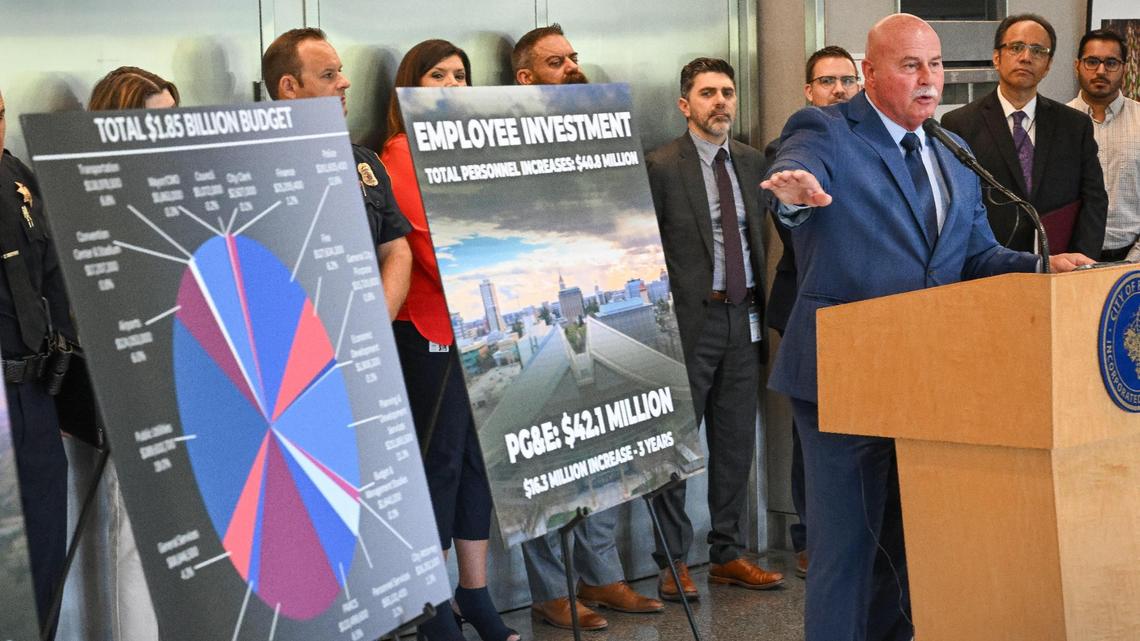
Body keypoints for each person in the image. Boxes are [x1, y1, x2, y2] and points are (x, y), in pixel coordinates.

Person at [761, 14, 1093, 641]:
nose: (929, 79)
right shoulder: (826, 130)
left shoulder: (951, 150)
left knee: (906, 548)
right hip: (843, 379)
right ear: (870, 72)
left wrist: (1040, 265)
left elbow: (975, 255)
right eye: (910, 65)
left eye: (935, 65)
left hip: (926, 381)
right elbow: (797, 170)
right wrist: (794, 193)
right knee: (846, 552)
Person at [511, 24, 665, 631]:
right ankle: (550, 591)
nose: (573, 67)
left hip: (596, 307)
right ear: (525, 78)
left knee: (606, 446)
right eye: (557, 62)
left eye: (574, 57)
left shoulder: (602, 132)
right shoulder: (503, 143)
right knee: (546, 461)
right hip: (549, 317)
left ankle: (602, 576)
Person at [379, 39, 517, 641]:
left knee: (475, 464)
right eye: (438, 75)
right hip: (429, 328)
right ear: (410, 86)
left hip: (476, 330)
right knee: (437, 465)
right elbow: (433, 246)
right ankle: (431, 603)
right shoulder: (397, 154)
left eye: (461, 76)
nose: (453, 86)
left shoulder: (472, 148)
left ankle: (474, 592)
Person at [646, 57, 783, 604]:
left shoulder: (752, 162)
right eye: (708, 93)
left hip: (743, 320)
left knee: (735, 442)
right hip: (687, 325)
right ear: (685, 105)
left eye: (727, 92)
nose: (721, 101)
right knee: (675, 449)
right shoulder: (661, 165)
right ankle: (672, 562)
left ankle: (727, 553)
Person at [86, 65, 180, 641]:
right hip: (137, 391)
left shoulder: (176, 191)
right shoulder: (95, 201)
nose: (167, 134)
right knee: (139, 544)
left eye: (173, 119)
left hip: (193, 382)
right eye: (154, 122)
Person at [766, 45, 861, 581]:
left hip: (873, 314)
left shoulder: (872, 144)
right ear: (809, 91)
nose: (839, 90)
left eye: (848, 80)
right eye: (827, 81)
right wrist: (797, 195)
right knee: (814, 434)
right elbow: (791, 188)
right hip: (811, 307)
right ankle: (808, 536)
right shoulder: (797, 144)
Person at [262, 28, 412, 320]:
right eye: (328, 75)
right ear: (289, 87)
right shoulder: (256, 168)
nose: (345, 82)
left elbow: (396, 248)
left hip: (363, 329)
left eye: (339, 71)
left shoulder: (363, 161)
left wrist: (377, 320)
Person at [1, 87, 76, 641]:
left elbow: (53, 280)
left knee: (42, 560)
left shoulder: (16, 179)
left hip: (32, 398)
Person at [941, 14, 1108, 259]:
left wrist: (1079, 262)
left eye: (1038, 51)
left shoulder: (1075, 125)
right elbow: (955, 207)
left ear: (1048, 65)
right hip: (991, 266)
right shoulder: (960, 124)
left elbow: (1094, 200)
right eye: (1016, 47)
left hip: (1061, 264)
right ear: (997, 57)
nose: (1026, 57)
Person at [1066, 29, 1140, 262]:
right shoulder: (1058, 124)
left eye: (1111, 63)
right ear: (1077, 65)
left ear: (1124, 68)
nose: (1100, 71)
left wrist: (1133, 260)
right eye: (1092, 62)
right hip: (1071, 260)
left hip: (1133, 258)